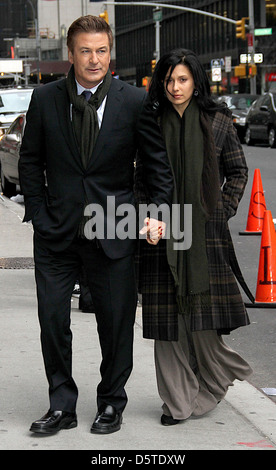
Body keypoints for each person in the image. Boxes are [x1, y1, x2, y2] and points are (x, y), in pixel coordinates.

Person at [18, 15, 173, 435]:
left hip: (115, 228)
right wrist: (38, 211)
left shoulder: (134, 101)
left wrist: (154, 215)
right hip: (57, 231)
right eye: (85, 50)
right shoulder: (46, 98)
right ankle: (61, 406)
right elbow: (29, 161)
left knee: (116, 322)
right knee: (52, 320)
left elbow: (158, 169)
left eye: (101, 50)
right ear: (70, 53)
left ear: (110, 54)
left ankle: (111, 403)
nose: (94, 59)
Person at [134, 48, 253, 426]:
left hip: (204, 238)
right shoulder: (150, 121)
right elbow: (139, 180)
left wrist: (220, 210)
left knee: (202, 325)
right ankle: (177, 404)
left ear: (196, 81)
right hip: (161, 235)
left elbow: (237, 172)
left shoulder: (218, 121)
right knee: (168, 327)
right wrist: (147, 220)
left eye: (182, 79)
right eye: (168, 79)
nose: (174, 87)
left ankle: (214, 381)